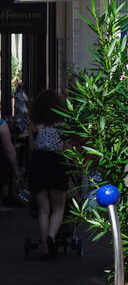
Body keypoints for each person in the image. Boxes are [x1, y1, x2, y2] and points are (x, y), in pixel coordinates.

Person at [28, 88, 68, 258]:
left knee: (44, 209)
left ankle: (45, 246)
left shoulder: (35, 124)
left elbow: (31, 147)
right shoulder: (63, 124)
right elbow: (66, 148)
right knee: (59, 207)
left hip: (38, 162)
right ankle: (51, 236)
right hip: (56, 162)